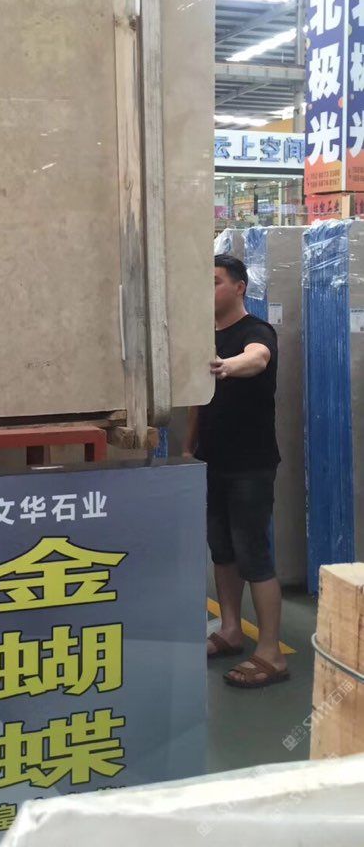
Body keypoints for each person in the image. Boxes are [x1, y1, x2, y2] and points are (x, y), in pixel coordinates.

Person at [184, 253, 289, 689]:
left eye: (214, 281)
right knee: (222, 551)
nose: (206, 290)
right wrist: (189, 448)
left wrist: (227, 366)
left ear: (239, 287)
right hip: (213, 461)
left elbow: (257, 359)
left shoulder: (256, 331)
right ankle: (230, 630)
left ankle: (271, 652)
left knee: (253, 554)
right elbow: (198, 401)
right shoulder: (204, 336)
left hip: (250, 465)